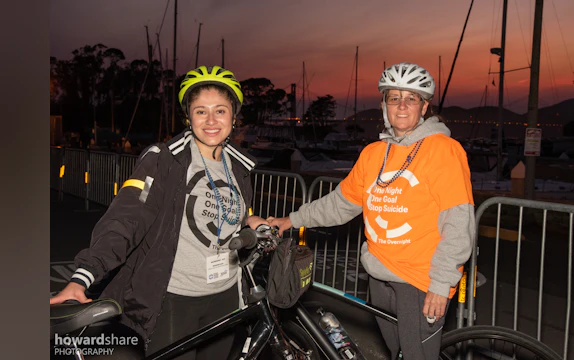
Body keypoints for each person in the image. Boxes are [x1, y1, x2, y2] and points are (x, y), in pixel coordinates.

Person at [50, 65, 268, 359]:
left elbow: (231, 211)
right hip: (175, 299)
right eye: (201, 111)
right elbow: (125, 221)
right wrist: (82, 277)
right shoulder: (164, 161)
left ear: (233, 115)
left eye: (220, 110)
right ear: (188, 117)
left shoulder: (238, 166)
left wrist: (251, 220)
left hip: (226, 295)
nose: (211, 120)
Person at [269, 62, 475, 360]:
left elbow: (458, 223)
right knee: (397, 354)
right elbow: (341, 204)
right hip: (378, 277)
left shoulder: (443, 150)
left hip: (419, 282)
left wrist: (441, 284)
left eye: (411, 98)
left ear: (424, 106)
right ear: (384, 105)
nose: (402, 105)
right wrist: (290, 220)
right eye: (394, 98)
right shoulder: (373, 154)